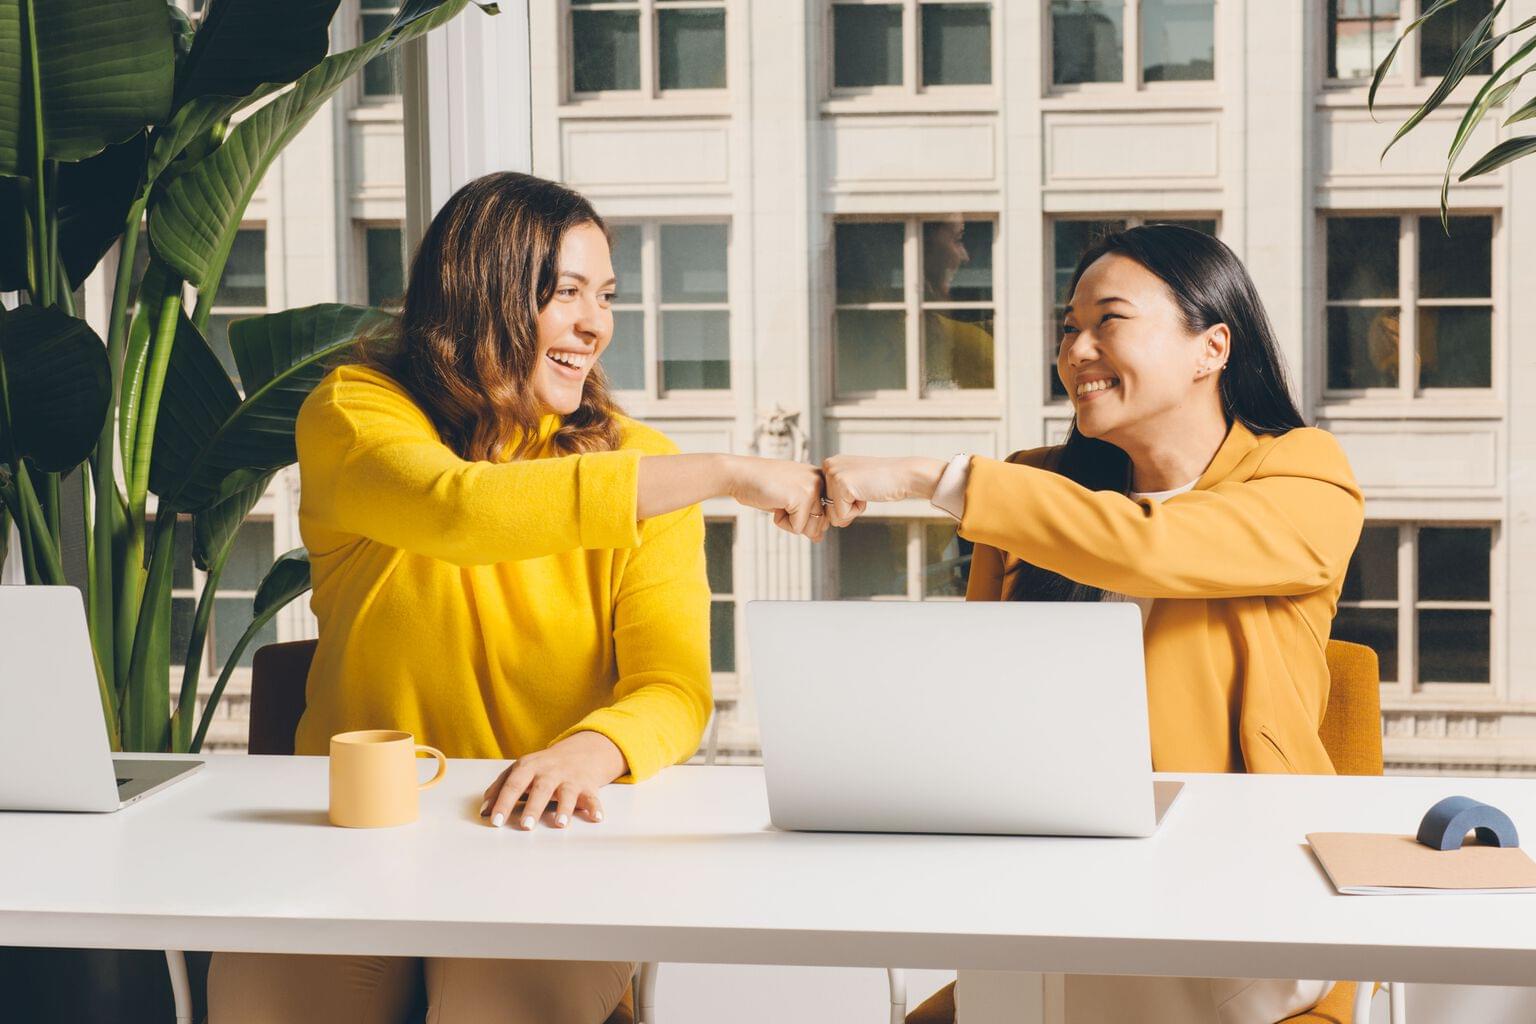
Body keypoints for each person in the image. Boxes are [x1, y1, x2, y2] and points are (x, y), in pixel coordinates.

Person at [207, 171, 827, 1024]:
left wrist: (594, 750)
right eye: (565, 292)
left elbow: (673, 689)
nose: (595, 324)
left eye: (604, 295)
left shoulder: (645, 466)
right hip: (352, 836)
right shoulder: (358, 412)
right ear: (483, 295)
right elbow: (455, 509)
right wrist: (725, 473)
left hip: (548, 841)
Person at [821, 224, 1365, 1024]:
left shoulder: (1304, 472)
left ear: (1210, 346)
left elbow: (1150, 547)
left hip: (1238, 887)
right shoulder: (1034, 485)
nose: (1076, 349)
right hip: (1059, 880)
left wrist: (925, 477)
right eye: (1067, 328)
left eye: (1108, 321)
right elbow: (985, 700)